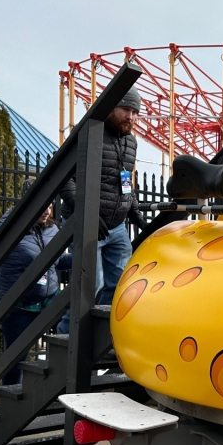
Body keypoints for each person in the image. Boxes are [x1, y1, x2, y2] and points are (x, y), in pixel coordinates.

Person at [57, 86, 143, 330]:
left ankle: (95, 333)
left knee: (119, 284)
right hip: (86, 223)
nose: (131, 117)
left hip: (116, 226)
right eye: (126, 109)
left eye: (135, 112)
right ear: (111, 108)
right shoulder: (87, 133)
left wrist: (134, 210)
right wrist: (88, 213)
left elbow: (125, 178)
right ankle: (66, 335)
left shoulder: (131, 143)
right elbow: (65, 178)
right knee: (88, 285)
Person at [0, 178, 71, 386]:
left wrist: (81, 256)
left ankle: (60, 386)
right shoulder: (11, 222)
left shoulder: (52, 229)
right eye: (41, 205)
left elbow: (56, 262)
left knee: (71, 329)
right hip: (17, 304)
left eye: (50, 205)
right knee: (16, 357)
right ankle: (10, 398)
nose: (46, 210)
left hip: (48, 299)